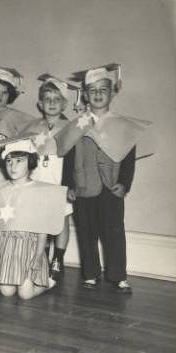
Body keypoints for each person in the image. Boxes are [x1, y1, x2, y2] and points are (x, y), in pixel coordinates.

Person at [54, 64, 151, 293]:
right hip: (83, 186)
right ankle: (90, 274)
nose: (97, 94)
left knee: (114, 232)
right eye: (92, 90)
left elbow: (128, 158)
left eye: (103, 89)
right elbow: (68, 156)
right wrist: (68, 184)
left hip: (111, 187)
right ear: (85, 95)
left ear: (112, 93)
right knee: (86, 232)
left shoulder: (122, 125)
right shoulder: (77, 125)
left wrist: (125, 184)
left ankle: (118, 275)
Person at [0, 137, 68, 299]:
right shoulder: (0, 190)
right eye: (9, 161)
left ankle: (50, 282)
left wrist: (39, 256)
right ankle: (15, 279)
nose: (13, 166)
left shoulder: (38, 191)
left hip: (28, 248)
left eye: (19, 161)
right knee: (6, 292)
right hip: (5, 246)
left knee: (25, 295)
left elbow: (43, 228)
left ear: (30, 162)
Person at [26, 74, 79, 281]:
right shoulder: (33, 127)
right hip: (39, 174)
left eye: (57, 99)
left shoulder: (70, 128)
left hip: (59, 174)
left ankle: (58, 258)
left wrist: (70, 184)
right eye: (47, 99)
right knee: (40, 218)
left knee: (61, 218)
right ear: (40, 103)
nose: (51, 103)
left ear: (65, 103)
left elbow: (74, 159)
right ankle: (40, 256)